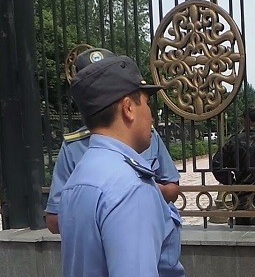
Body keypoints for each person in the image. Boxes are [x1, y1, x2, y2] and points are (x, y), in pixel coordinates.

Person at [59, 55, 187, 277]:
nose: (151, 115)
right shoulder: (129, 186)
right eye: (145, 102)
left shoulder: (82, 175)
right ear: (128, 108)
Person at [45, 47, 181, 234]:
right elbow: (53, 219)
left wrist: (153, 192)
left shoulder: (147, 135)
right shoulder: (73, 146)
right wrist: (104, 213)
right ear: (128, 108)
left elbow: (173, 186)